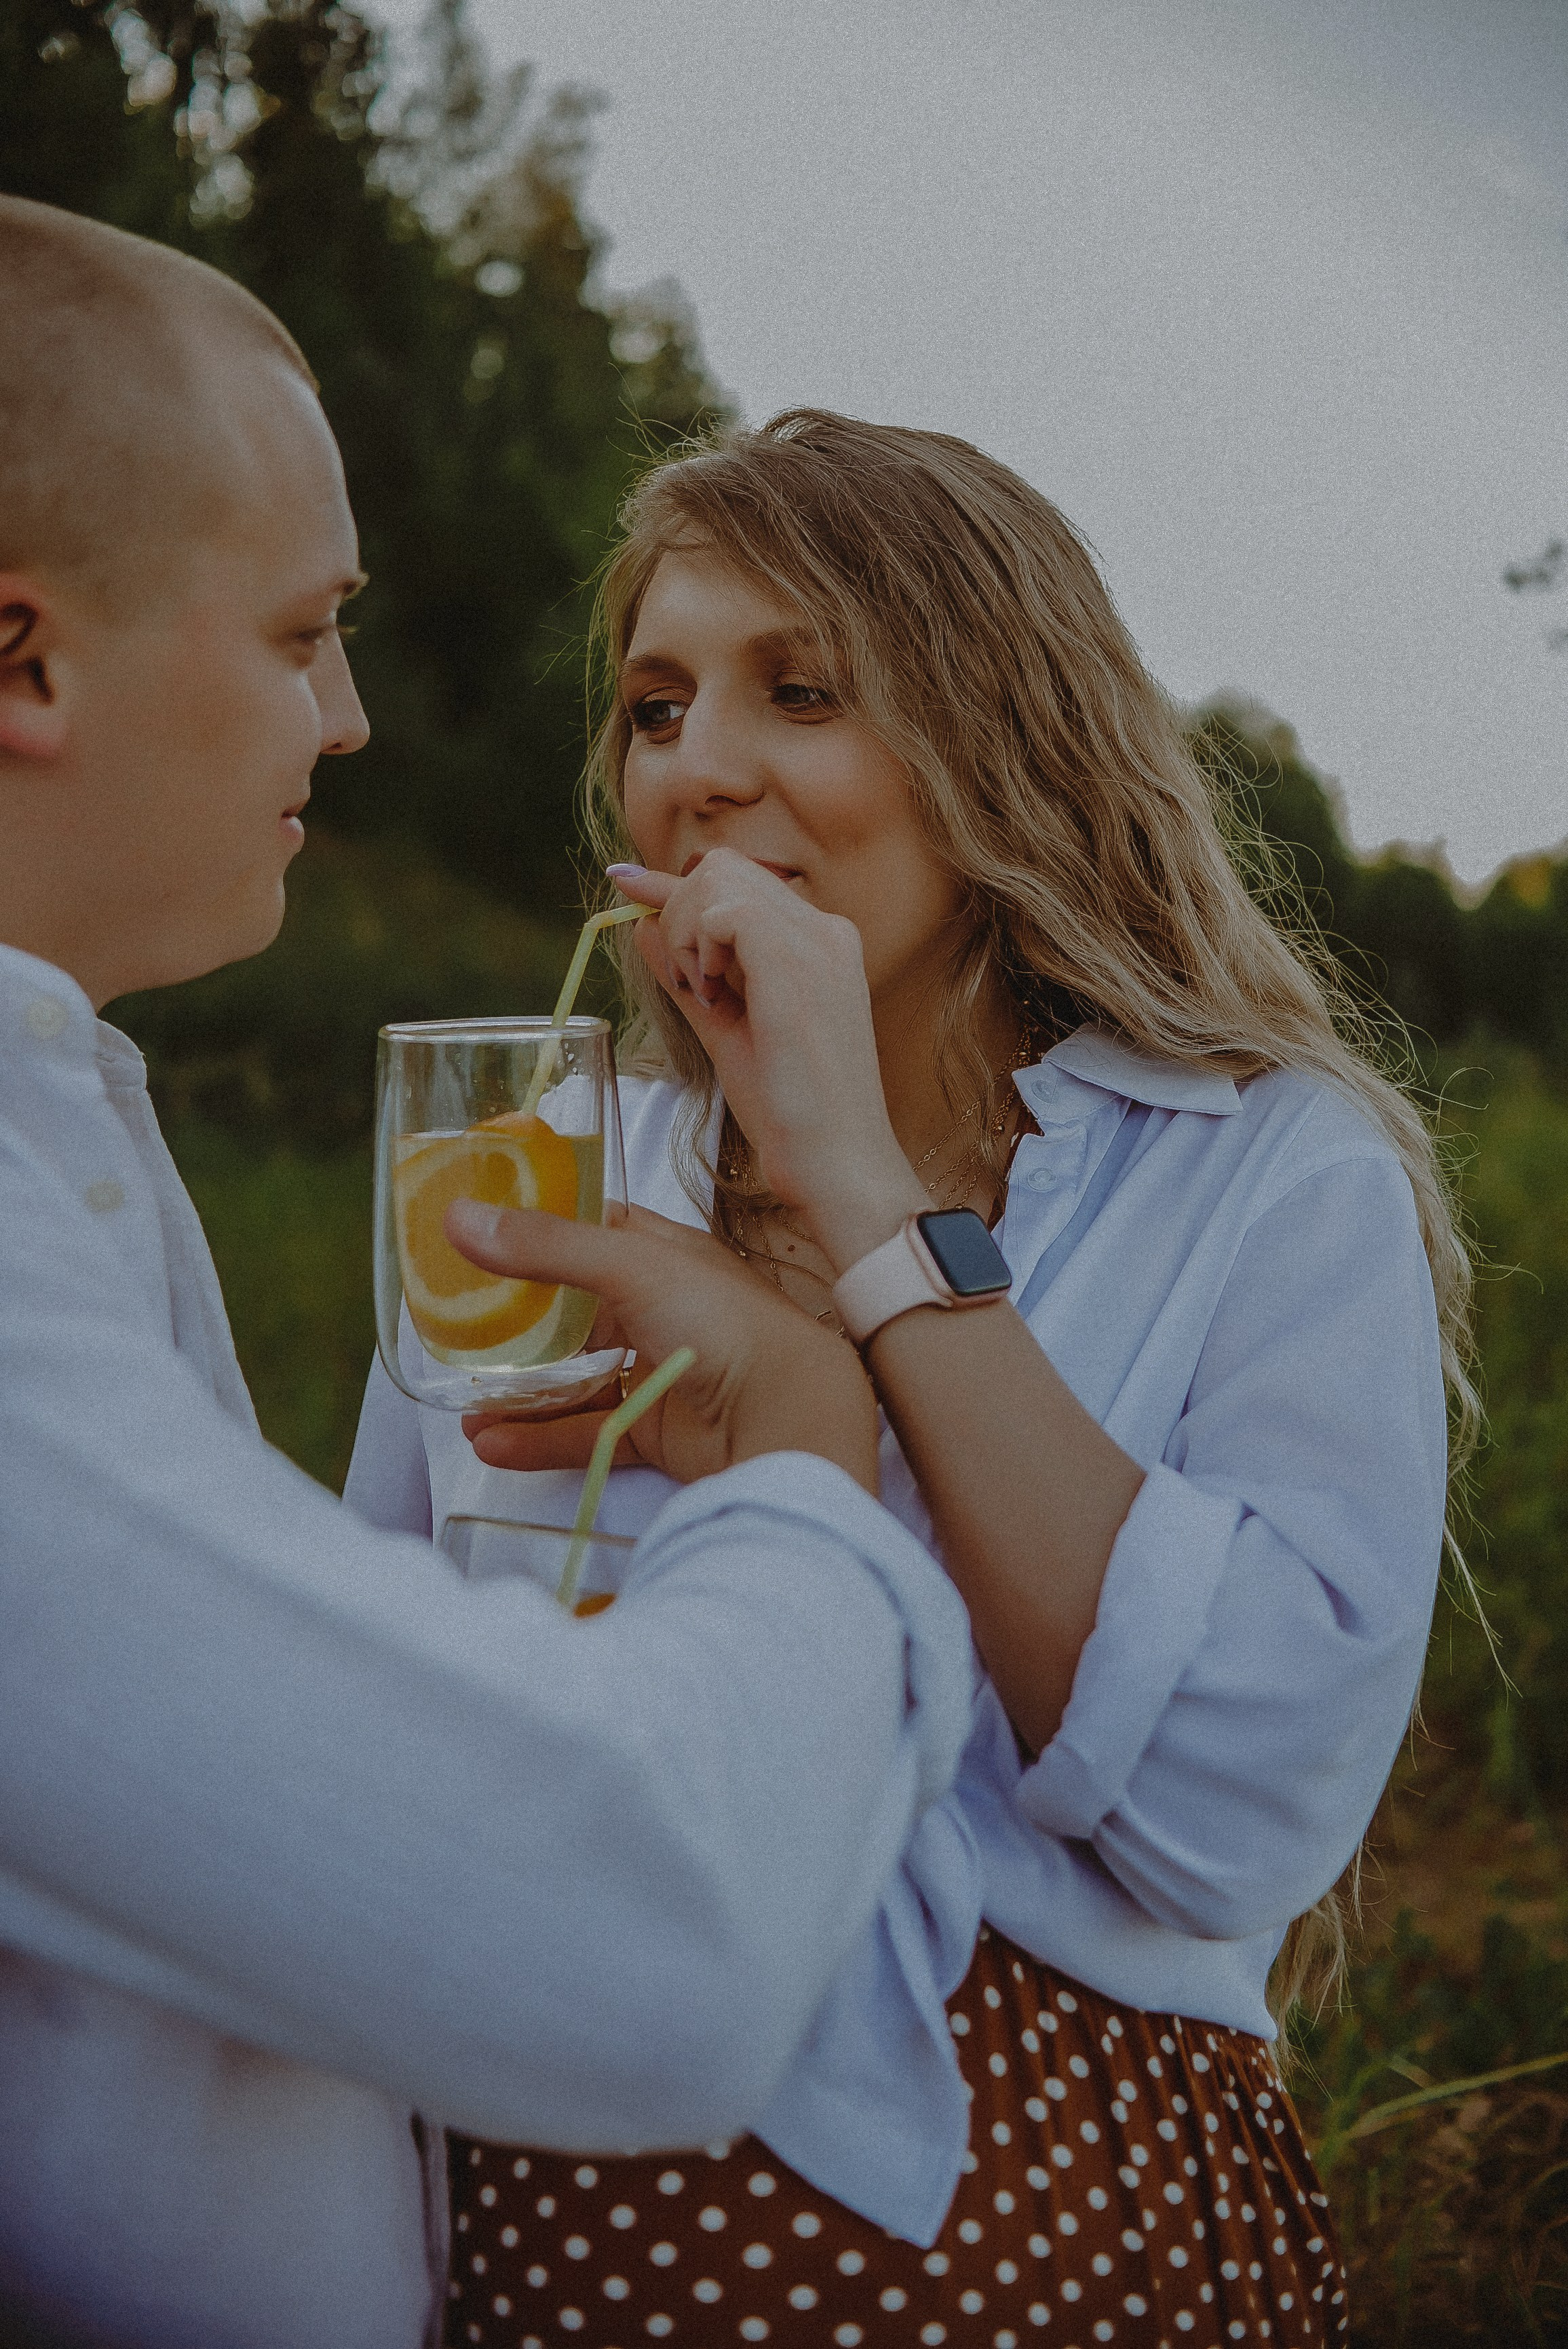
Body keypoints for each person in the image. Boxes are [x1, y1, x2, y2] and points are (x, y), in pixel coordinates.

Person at [347, 413, 1464, 2346]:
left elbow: (1234, 1809)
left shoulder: (1272, 1171)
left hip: (1063, 2217)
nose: (702, 771)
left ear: (1002, 740)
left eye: (802, 691)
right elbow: (368, 1732)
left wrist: (861, 1205)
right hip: (528, 2195)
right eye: (657, 705)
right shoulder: (541, 1173)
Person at [0, 207, 976, 2349]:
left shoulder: (69, 1112)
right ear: (26, 661)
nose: (348, 719)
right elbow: (648, 1931)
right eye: (299, 632)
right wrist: (811, 1454)